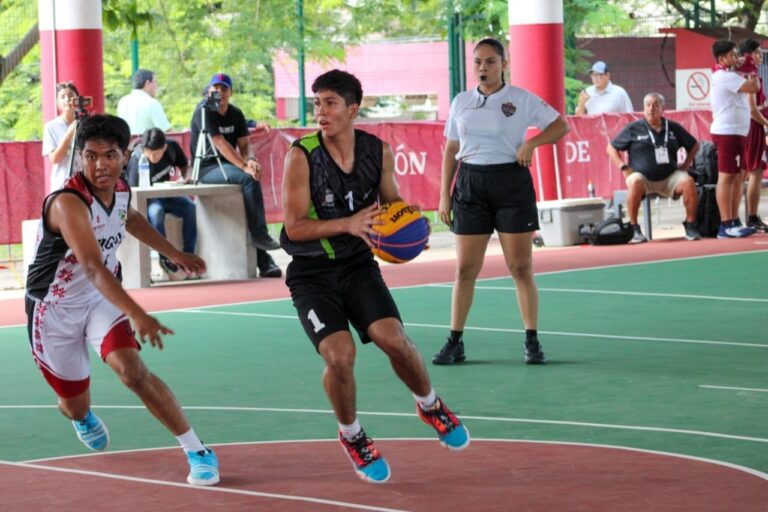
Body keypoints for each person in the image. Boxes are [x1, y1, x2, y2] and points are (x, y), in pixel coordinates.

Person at [281, 69, 469, 484]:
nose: (321, 112)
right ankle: (352, 435)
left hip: (357, 267)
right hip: (311, 274)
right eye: (317, 104)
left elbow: (392, 203)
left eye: (330, 104)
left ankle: (430, 404)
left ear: (353, 109)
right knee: (340, 355)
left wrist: (407, 230)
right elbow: (294, 227)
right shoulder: (302, 155)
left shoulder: (376, 151)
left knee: (394, 340)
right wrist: (347, 224)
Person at [25, 114, 219, 486]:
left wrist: (174, 253)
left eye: (110, 155)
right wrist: (139, 313)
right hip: (53, 311)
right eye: (91, 156)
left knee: (134, 372)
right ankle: (82, 417)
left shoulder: (121, 190)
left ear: (125, 156)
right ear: (80, 156)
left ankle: (197, 450)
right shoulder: (68, 203)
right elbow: (94, 267)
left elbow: (130, 220)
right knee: (73, 405)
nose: (100, 165)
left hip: (101, 302)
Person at [433, 37, 569, 366]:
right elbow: (451, 149)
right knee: (465, 269)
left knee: (520, 268)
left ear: (504, 65)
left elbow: (560, 125)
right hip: (470, 185)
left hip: (511, 183)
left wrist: (532, 143)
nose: (483, 67)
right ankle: (455, 341)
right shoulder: (461, 102)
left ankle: (532, 340)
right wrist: (444, 196)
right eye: (478, 61)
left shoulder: (520, 99)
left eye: (491, 61)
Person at [190, 73, 281, 278]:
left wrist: (251, 161)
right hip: (207, 168)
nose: (219, 92)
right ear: (209, 90)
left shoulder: (236, 113)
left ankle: (263, 257)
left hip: (230, 166)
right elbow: (220, 143)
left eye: (224, 89)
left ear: (230, 92)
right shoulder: (204, 111)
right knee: (248, 178)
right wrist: (244, 167)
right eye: (216, 88)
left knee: (251, 178)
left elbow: (245, 144)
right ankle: (260, 236)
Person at [607, 93, 701, 243]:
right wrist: (623, 167)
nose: (651, 109)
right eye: (648, 105)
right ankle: (634, 228)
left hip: (669, 177)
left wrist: (685, 165)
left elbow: (695, 145)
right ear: (643, 108)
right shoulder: (634, 128)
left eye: (656, 105)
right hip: (643, 178)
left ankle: (690, 225)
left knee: (688, 181)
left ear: (662, 108)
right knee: (635, 181)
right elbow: (611, 148)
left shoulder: (673, 127)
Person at [125, 128, 198, 279]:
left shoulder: (172, 148)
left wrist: (186, 177)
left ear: (164, 147)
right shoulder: (137, 158)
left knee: (191, 208)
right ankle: (165, 259)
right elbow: (133, 193)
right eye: (148, 152)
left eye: (156, 153)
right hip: (149, 200)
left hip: (168, 195)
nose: (152, 156)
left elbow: (185, 166)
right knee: (157, 212)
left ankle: (188, 256)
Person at [710, 39, 760, 238]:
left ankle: (734, 219)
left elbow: (754, 84)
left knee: (739, 176)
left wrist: (750, 69)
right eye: (732, 55)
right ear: (722, 58)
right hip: (727, 132)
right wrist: (749, 70)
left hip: (739, 131)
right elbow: (753, 88)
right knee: (727, 176)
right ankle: (725, 223)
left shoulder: (732, 74)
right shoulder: (722, 75)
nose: (737, 58)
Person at [738, 38, 768, 232]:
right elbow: (751, 109)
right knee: (752, 173)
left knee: (749, 173)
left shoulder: (752, 73)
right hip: (752, 127)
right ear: (747, 55)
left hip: (752, 126)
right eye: (757, 52)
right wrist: (766, 123)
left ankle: (747, 217)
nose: (760, 56)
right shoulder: (749, 75)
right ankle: (750, 217)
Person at [42, 82, 82, 192]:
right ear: (57, 103)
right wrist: (69, 134)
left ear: (78, 99)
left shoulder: (86, 123)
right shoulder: (51, 127)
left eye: (71, 96)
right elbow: (54, 159)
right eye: (62, 97)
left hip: (84, 181)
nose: (67, 100)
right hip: (62, 182)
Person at [117, 69, 171, 136]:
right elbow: (168, 132)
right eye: (155, 82)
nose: (157, 86)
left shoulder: (122, 101)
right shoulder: (151, 103)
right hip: (148, 145)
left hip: (128, 145)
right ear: (147, 83)